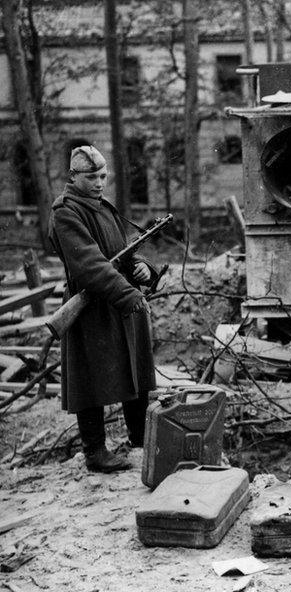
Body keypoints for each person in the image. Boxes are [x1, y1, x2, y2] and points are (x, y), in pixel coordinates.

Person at [49, 145, 158, 473]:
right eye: (92, 177)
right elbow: (90, 265)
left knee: (135, 366)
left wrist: (143, 268)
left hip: (118, 297)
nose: (100, 182)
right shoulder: (65, 213)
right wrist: (129, 295)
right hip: (92, 305)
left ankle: (139, 440)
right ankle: (95, 451)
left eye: (103, 176)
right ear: (73, 176)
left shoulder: (102, 206)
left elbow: (122, 250)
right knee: (89, 379)